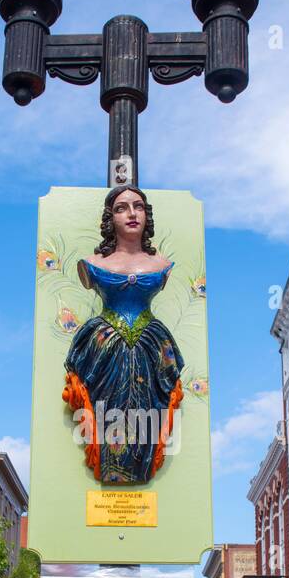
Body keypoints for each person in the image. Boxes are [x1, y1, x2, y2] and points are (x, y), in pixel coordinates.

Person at [63, 186, 184, 485]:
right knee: (105, 411)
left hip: (150, 346)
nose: (131, 213)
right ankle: (110, 467)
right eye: (121, 208)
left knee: (149, 411)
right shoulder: (92, 265)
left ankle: (139, 469)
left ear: (146, 213)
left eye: (138, 206)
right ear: (110, 218)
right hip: (104, 346)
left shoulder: (163, 265)